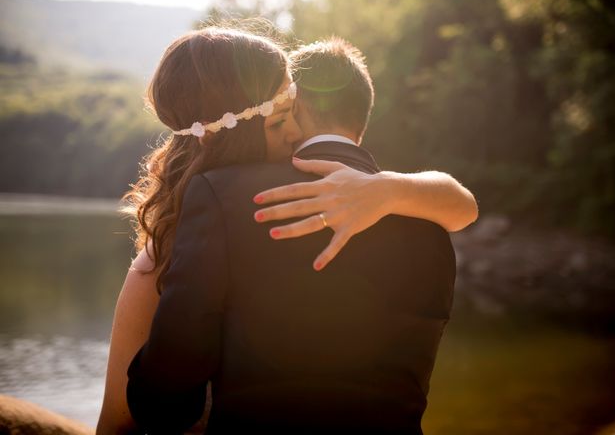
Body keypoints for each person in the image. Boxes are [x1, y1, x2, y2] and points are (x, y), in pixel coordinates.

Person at [123, 35, 469, 434]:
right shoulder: (431, 222)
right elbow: (466, 206)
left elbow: (166, 405)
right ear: (364, 114)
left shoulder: (220, 199)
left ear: (295, 104)